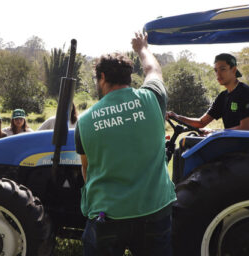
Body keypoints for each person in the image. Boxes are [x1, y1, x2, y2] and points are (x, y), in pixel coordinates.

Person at [74, 32, 175, 255]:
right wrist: (142, 48)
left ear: (101, 77)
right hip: (154, 211)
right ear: (129, 77)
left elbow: (87, 169)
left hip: (107, 217)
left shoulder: (85, 121)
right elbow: (153, 70)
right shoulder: (153, 99)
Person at [166, 53, 249, 133]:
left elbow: (244, 129)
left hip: (241, 148)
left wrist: (216, 133)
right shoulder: (223, 97)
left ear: (234, 70)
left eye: (222, 69)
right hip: (228, 143)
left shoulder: (246, 93)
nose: (218, 74)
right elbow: (201, 123)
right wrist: (177, 117)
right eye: (216, 70)